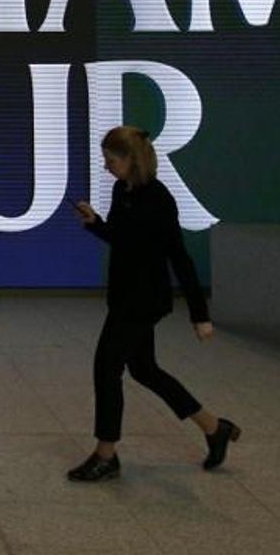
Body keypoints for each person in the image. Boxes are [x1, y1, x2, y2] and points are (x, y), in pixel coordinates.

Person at [68, 125, 239, 482]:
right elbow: (121, 238)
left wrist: (200, 314)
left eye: (111, 159)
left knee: (106, 368)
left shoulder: (159, 199)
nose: (106, 166)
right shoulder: (122, 190)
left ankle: (106, 454)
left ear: (132, 159)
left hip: (144, 300)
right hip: (125, 296)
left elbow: (180, 257)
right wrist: (95, 224)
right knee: (145, 370)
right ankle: (213, 427)